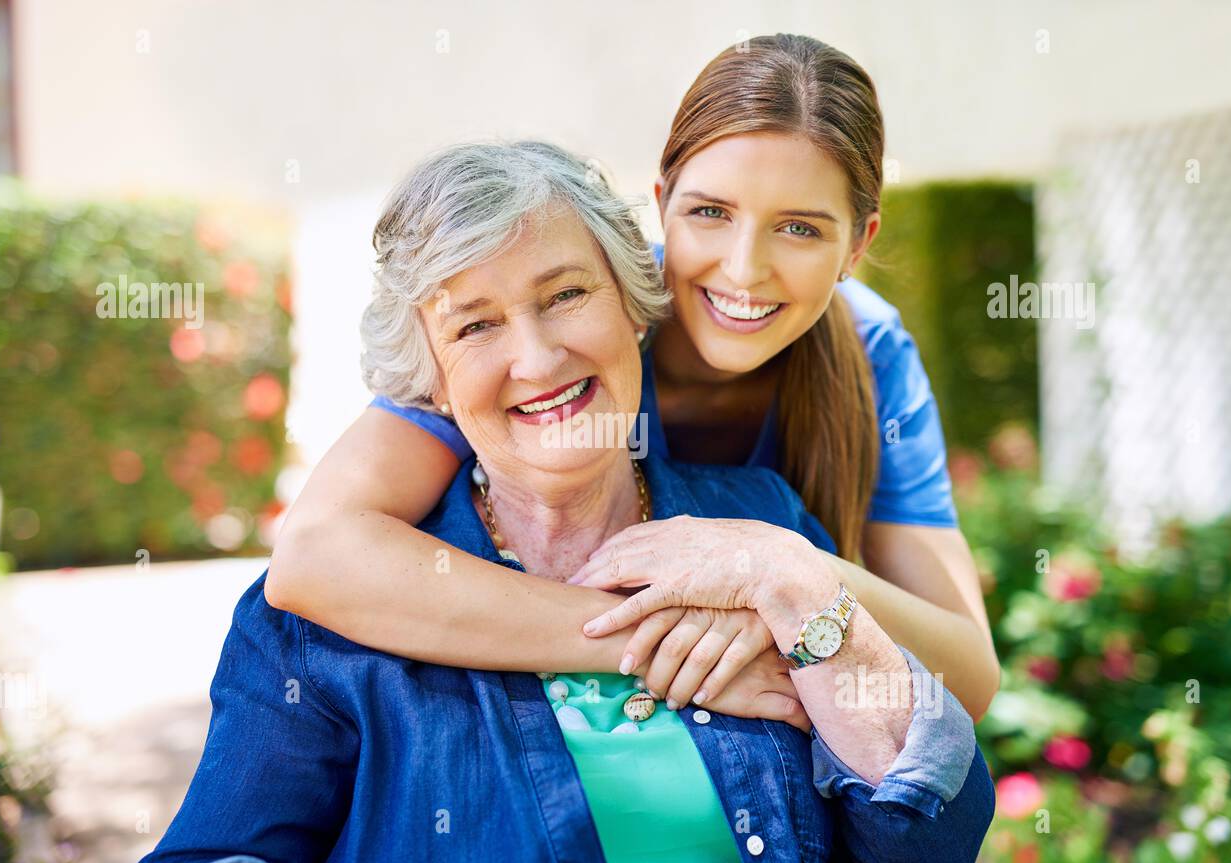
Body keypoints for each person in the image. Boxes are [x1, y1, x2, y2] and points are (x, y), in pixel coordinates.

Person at [138, 141, 994, 863]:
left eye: (566, 296)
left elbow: (926, 838)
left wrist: (801, 586)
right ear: (429, 379)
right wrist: (635, 638)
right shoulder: (325, 621)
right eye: (476, 326)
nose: (539, 358)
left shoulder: (763, 527)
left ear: (635, 307)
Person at [263, 33, 1000, 721]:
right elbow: (315, 554)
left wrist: (782, 567)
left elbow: (968, 672)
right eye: (711, 211)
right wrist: (641, 647)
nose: (744, 269)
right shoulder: (567, 321)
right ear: (660, 203)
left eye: (800, 227)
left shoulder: (871, 352)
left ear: (858, 244)